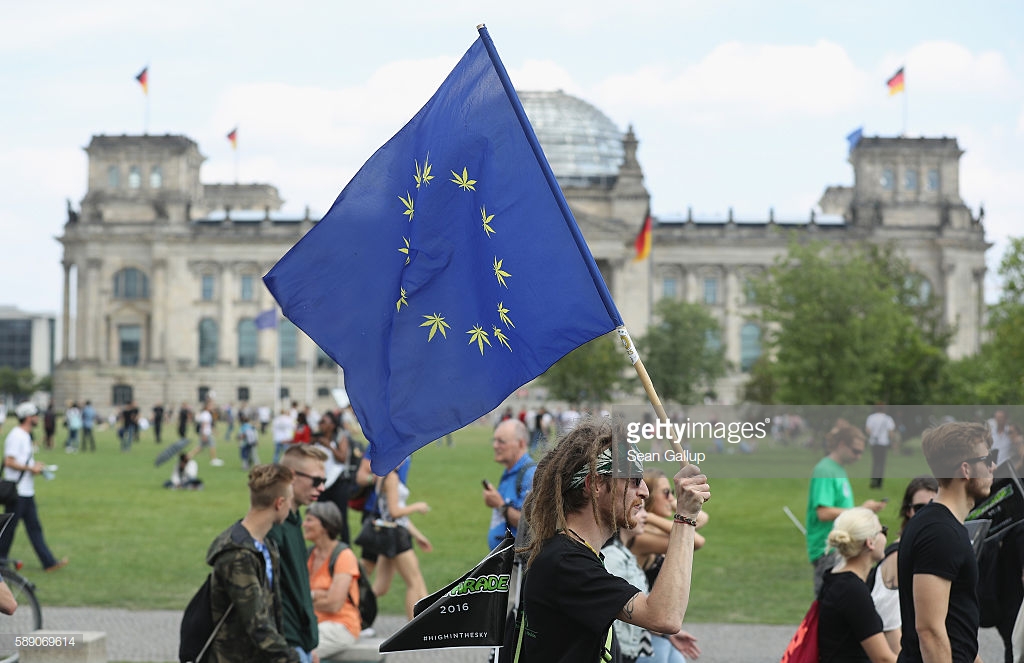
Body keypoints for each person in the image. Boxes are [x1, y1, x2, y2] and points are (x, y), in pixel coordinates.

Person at [512, 419, 710, 661]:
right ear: (595, 484)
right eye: (634, 480)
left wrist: (657, 634)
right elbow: (665, 617)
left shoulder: (573, 555)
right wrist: (685, 517)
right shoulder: (566, 563)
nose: (644, 492)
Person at [897, 421, 995, 663]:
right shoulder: (940, 533)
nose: (993, 466)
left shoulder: (940, 526)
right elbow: (929, 631)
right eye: (987, 459)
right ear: (966, 470)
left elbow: (957, 623)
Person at [205, 463, 300, 663]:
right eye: (290, 501)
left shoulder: (267, 545)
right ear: (279, 503)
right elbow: (257, 625)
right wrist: (291, 658)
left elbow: (272, 615)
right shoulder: (238, 554)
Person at [603, 504, 700, 663]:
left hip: (637, 644)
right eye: (639, 508)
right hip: (625, 651)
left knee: (673, 655)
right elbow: (616, 617)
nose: (645, 516)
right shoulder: (612, 557)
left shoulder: (625, 554)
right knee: (664, 652)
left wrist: (665, 634)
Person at [806, 420, 886, 594]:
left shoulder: (838, 469)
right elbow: (823, 512)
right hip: (827, 549)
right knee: (830, 603)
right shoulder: (825, 470)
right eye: (855, 451)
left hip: (841, 548)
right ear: (842, 444)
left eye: (861, 452)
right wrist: (860, 511)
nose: (858, 457)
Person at [268, 444, 327, 663]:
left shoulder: (294, 522)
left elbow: (299, 590)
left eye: (324, 481)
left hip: (300, 643)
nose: (321, 488)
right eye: (316, 481)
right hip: (286, 645)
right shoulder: (275, 527)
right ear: (292, 476)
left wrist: (308, 645)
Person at [869, 476, 938, 655]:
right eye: (920, 508)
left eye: (934, 507)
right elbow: (888, 625)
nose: (927, 514)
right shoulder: (898, 555)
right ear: (908, 511)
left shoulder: (928, 549)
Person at [818, 507, 896, 663]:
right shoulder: (852, 591)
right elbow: (883, 658)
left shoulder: (835, 577)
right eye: (883, 531)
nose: (885, 537)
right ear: (870, 542)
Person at [0, 403, 68, 572]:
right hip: (17, 492)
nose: (38, 418)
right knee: (8, 530)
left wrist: (35, 465)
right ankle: (1, 560)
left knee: (34, 528)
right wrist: (31, 468)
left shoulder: (25, 435)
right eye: (35, 415)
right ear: (28, 417)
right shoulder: (16, 436)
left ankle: (49, 562)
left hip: (26, 491)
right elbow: (9, 461)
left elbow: (20, 460)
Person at [372, 460, 432, 620]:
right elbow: (395, 512)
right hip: (396, 536)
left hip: (388, 532)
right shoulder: (391, 477)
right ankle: (414, 626)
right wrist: (417, 506)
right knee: (414, 582)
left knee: (380, 586)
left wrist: (418, 535)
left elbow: (394, 514)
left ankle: (356, 611)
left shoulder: (383, 475)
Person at [303, 501, 361, 660]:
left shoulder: (344, 556)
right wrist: (319, 595)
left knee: (300, 652)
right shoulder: (309, 555)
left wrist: (309, 598)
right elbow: (296, 595)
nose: (304, 524)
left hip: (340, 625)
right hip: (312, 623)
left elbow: (334, 604)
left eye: (309, 520)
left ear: (325, 526)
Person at [482, 419, 536, 550]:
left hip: (519, 559)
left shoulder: (531, 475)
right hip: (504, 559)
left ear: (521, 443)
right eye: (494, 440)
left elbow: (532, 525)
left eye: (501, 441)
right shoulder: (510, 471)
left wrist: (499, 505)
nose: (495, 445)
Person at [315, 411, 361, 544]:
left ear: (332, 425)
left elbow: (342, 458)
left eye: (323, 422)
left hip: (339, 483)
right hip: (322, 482)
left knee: (341, 517)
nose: (320, 425)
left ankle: (345, 546)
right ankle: (323, 544)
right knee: (321, 516)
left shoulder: (340, 437)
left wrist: (329, 446)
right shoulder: (316, 437)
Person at [865, 403, 896, 489]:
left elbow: (868, 430)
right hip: (883, 443)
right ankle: (879, 482)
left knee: (875, 462)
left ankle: (873, 480)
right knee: (881, 463)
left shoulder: (871, 417)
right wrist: (891, 441)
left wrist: (873, 435)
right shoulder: (888, 418)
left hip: (874, 442)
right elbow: (891, 432)